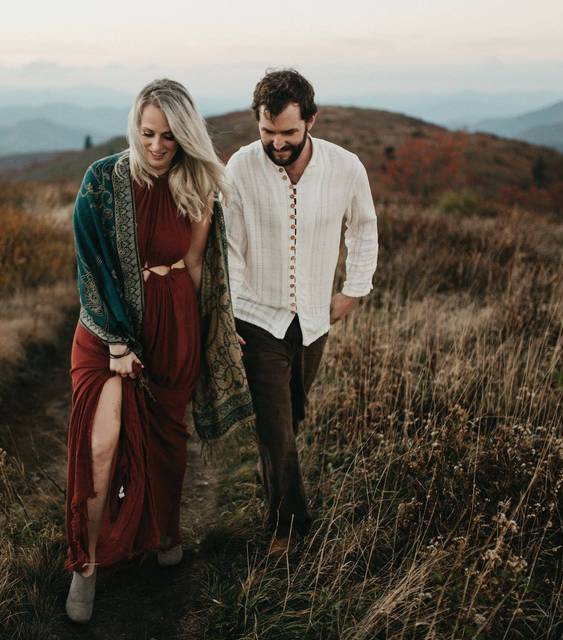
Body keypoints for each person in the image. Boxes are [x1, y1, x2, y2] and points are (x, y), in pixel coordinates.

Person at [65, 78, 254, 623]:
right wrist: (118, 340)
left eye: (168, 136)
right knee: (101, 445)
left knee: (170, 440)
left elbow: (197, 266)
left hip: (173, 324)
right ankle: (86, 566)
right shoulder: (102, 181)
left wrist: (215, 328)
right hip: (105, 333)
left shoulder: (196, 183)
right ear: (134, 127)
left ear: (186, 135)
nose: (155, 146)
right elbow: (89, 266)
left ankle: (164, 531)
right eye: (147, 133)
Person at [224, 69, 379, 551]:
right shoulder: (240, 167)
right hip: (256, 315)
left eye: (288, 133)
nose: (277, 143)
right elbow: (227, 246)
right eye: (267, 132)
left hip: (315, 318)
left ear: (311, 119)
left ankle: (270, 468)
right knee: (275, 422)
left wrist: (353, 290)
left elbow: (364, 228)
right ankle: (288, 527)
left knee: (294, 415)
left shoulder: (346, 167)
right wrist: (228, 315)